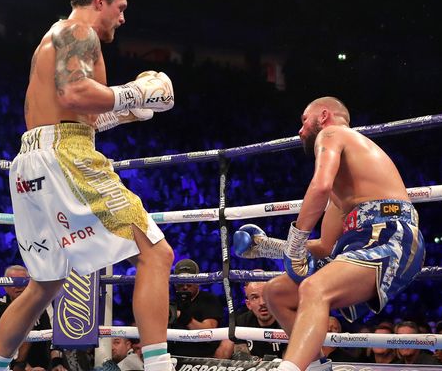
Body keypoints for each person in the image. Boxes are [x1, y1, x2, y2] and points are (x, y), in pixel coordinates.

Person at [0, 0, 175, 371]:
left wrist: (129, 113)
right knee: (157, 253)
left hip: (32, 160)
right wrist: (136, 92)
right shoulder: (78, 31)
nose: (122, 19)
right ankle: (159, 367)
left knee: (45, 285)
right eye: (120, 9)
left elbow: (74, 114)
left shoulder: (52, 38)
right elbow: (74, 93)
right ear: (100, 1)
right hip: (64, 157)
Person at [234, 97, 425, 371]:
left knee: (314, 287)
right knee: (276, 292)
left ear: (323, 116)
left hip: (391, 234)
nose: (300, 131)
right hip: (361, 240)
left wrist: (296, 241)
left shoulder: (333, 133)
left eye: (304, 121)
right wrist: (268, 246)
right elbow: (325, 246)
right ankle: (315, 367)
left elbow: (319, 185)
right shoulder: (344, 190)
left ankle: (289, 369)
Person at [0, 265, 64, 371]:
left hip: (44, 364)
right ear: (5, 287)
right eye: (14, 282)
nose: (19, 286)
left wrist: (56, 363)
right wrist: (25, 367)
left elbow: (54, 334)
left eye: (23, 282)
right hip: (12, 366)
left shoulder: (45, 303)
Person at [215, 280, 286, 361]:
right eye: (255, 297)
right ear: (248, 304)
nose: (262, 303)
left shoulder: (287, 322)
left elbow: (291, 361)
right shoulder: (241, 321)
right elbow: (223, 356)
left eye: (266, 295)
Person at [167, 259, 224, 358]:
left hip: (202, 356)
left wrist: (182, 316)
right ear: (175, 283)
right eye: (181, 282)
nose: (185, 286)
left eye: (189, 281)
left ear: (198, 282)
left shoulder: (209, 300)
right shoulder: (170, 302)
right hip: (173, 356)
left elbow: (207, 333)